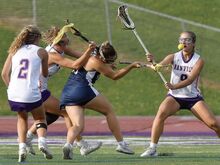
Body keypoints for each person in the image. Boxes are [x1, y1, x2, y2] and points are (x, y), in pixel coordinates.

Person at [140, 31, 220, 157]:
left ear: (193, 43)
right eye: (181, 40)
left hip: (193, 98)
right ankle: (152, 148)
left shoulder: (198, 61)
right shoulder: (173, 56)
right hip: (175, 97)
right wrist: (154, 63)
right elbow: (160, 66)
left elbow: (190, 80)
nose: (183, 42)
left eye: (187, 40)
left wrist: (174, 86)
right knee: (161, 114)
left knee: (214, 124)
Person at [25, 26, 102, 157]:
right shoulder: (52, 55)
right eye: (64, 43)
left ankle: (27, 137)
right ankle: (82, 144)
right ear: (56, 43)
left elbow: (83, 57)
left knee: (52, 115)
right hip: (35, 90)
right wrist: (89, 50)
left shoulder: (61, 49)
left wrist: (99, 58)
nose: (66, 45)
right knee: (65, 112)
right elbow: (75, 65)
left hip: (37, 89)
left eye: (67, 42)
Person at [60, 41, 141, 159]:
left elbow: (96, 65)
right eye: (108, 60)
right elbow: (114, 76)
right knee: (109, 111)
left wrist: (106, 65)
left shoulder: (89, 57)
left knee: (77, 125)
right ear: (102, 57)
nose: (109, 62)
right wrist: (131, 66)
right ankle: (121, 144)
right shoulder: (96, 61)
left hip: (67, 93)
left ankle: (68, 145)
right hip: (83, 89)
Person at [1, 25, 52, 162]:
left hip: (14, 93)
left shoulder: (14, 50)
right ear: (36, 38)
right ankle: (42, 143)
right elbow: (45, 74)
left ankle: (22, 148)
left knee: (22, 118)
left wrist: (12, 88)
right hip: (31, 91)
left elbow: (4, 74)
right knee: (40, 118)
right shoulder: (42, 52)